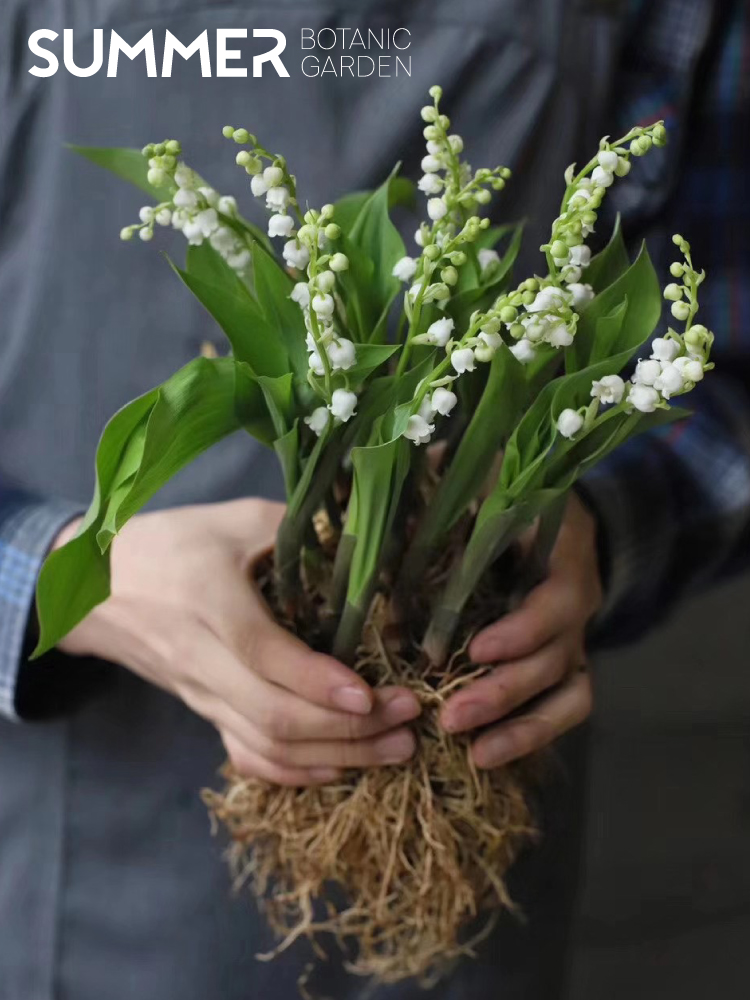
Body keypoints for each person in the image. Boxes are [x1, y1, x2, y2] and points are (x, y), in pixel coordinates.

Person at [1, 1, 747, 998]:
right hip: (74, 862)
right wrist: (58, 569)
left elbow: (729, 364)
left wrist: (593, 531)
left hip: (465, 806)